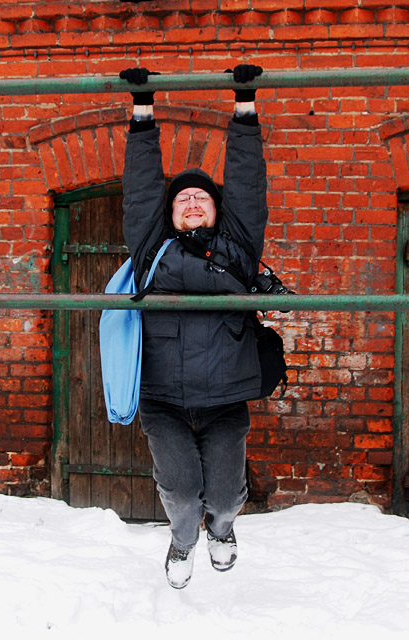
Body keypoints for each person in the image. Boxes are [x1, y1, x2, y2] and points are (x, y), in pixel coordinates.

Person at [119, 63, 268, 589]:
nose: (190, 200)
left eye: (200, 196)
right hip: (164, 398)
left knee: (225, 496)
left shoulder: (239, 251)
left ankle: (222, 532)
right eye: (181, 198)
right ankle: (183, 541)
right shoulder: (150, 253)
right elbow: (140, 193)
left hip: (225, 397)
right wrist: (143, 111)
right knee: (182, 494)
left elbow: (247, 186)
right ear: (172, 213)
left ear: (215, 210)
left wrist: (244, 105)